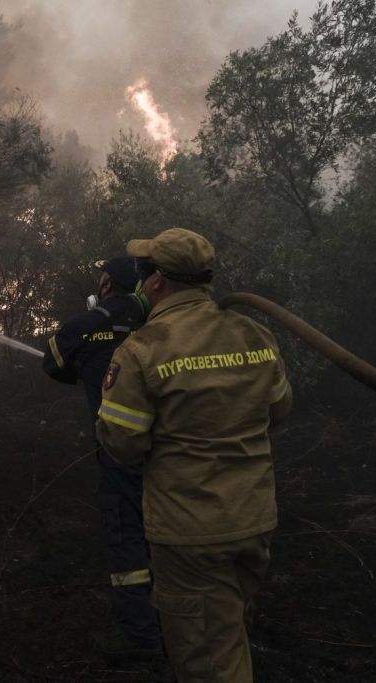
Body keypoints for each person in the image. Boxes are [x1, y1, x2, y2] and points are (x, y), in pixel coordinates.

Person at [96, 228, 293, 683]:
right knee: (225, 630)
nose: (143, 284)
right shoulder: (253, 334)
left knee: (207, 661)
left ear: (159, 281)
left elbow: (122, 443)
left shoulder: (145, 348)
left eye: (146, 275)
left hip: (191, 534)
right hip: (253, 522)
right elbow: (278, 412)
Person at [42, 256, 163, 660]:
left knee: (127, 532)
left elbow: (54, 363)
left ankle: (142, 634)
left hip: (117, 450)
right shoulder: (166, 324)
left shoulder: (86, 325)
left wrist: (89, 362)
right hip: (173, 452)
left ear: (107, 283)